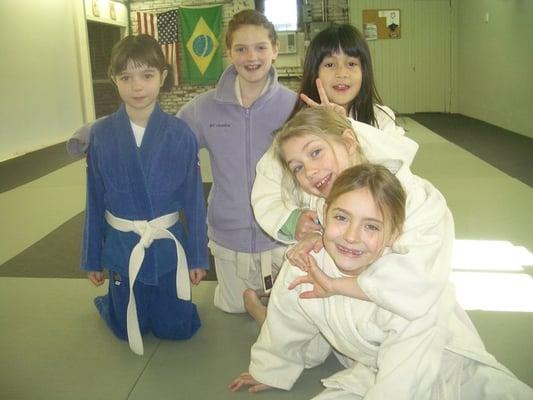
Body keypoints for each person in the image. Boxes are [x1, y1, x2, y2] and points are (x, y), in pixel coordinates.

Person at [230, 163, 533, 399]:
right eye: (341, 218)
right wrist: (270, 369)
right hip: (370, 365)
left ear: (395, 233)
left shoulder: (407, 291)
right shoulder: (306, 264)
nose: (351, 237)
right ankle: (255, 306)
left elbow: (403, 380)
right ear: (324, 213)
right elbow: (287, 319)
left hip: (446, 358)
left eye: (371, 226)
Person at [247, 23, 405, 322]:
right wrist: (294, 223)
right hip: (318, 243)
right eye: (330, 64)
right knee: (300, 311)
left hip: (369, 243)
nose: (341, 73)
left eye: (351, 64)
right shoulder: (296, 129)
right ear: (314, 73)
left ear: (365, 71)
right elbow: (266, 188)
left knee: (376, 313)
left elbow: (398, 167)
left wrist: (348, 127)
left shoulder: (381, 120)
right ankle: (263, 311)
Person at [82, 34, 208, 355]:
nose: (137, 87)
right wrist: (91, 258)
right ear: (114, 80)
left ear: (163, 77)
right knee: (127, 330)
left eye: (147, 75)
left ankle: (155, 305)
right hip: (124, 248)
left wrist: (197, 256)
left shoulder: (181, 135)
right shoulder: (101, 136)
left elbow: (194, 202)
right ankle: (113, 298)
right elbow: (94, 200)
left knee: (178, 329)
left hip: (168, 248)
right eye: (126, 77)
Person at [177, 9, 297, 324]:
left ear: (275, 49)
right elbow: (163, 139)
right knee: (231, 311)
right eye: (241, 49)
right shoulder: (203, 109)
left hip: (281, 238)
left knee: (287, 318)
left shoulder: (294, 107)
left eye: (260, 47)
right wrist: (100, 134)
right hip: (229, 238)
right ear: (229, 53)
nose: (251, 56)